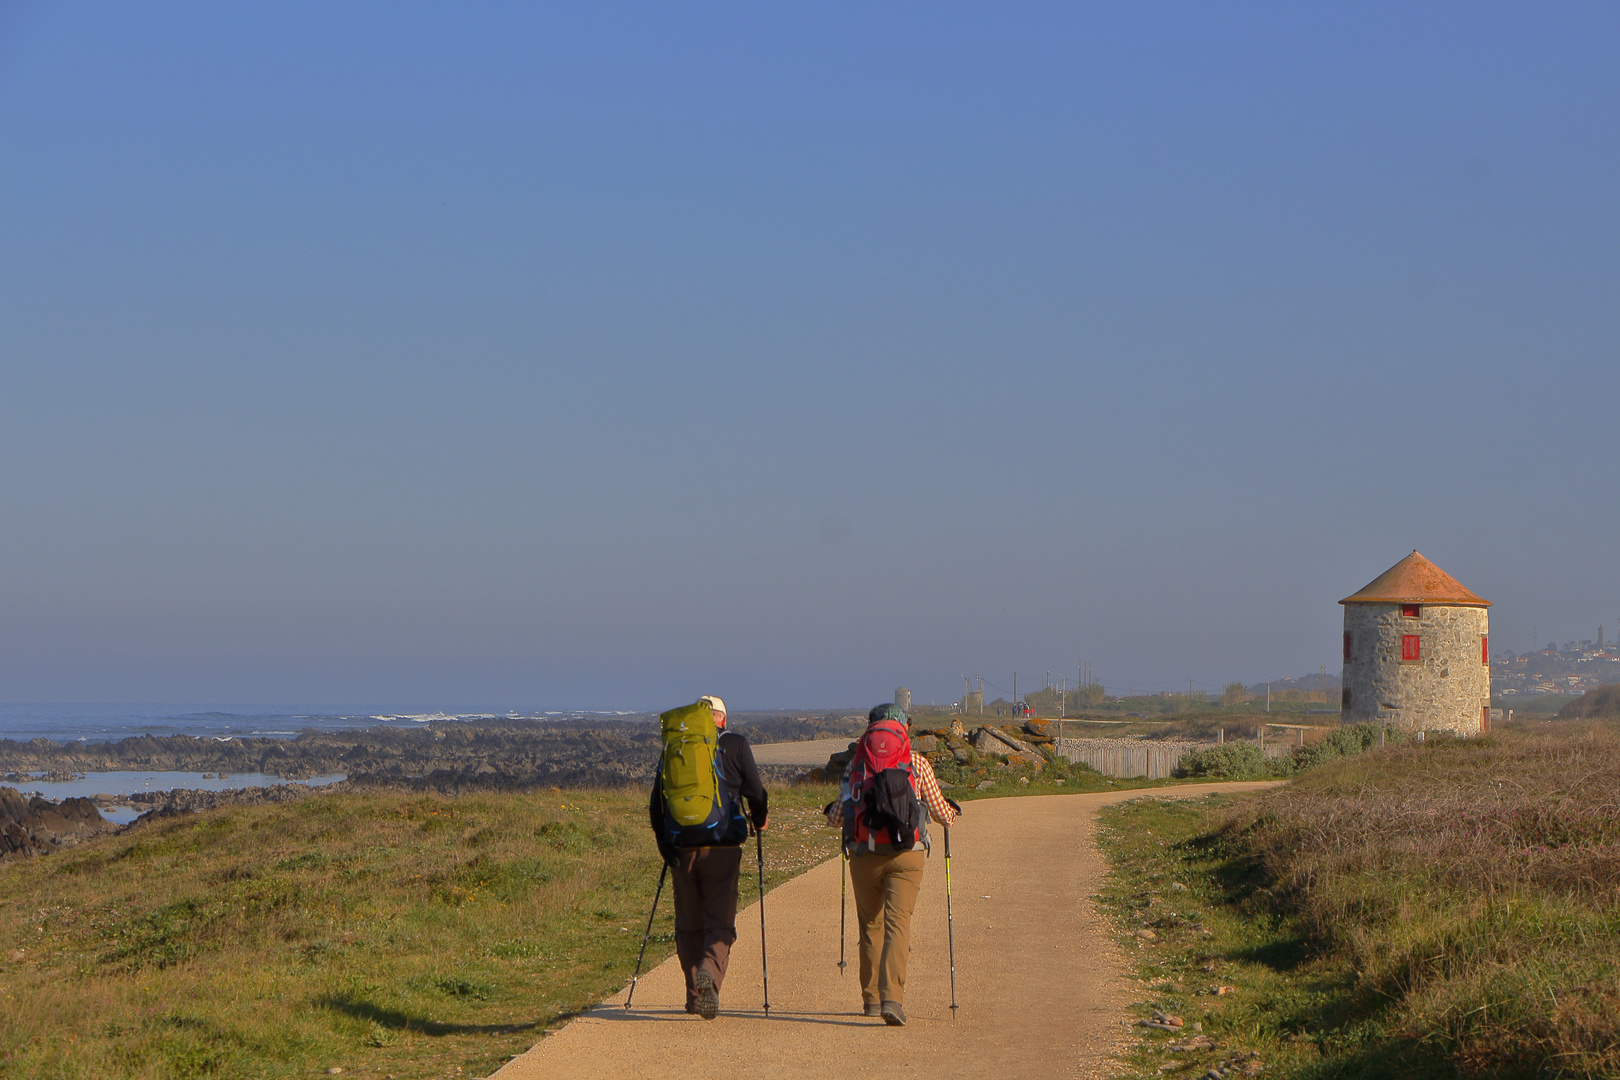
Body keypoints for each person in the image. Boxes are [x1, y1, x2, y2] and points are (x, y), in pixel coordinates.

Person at [828, 703, 959, 1027]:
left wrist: (831, 812)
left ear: (870, 728)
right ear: (905, 729)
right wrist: (952, 815)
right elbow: (942, 814)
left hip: (864, 854)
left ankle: (871, 1000)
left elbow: (837, 818)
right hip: (908, 854)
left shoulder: (856, 765)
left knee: (869, 925)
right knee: (897, 925)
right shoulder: (916, 763)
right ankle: (892, 999)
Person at [648, 695, 768, 1019]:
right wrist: (760, 820)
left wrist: (664, 843)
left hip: (681, 846)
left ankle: (692, 996)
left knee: (688, 925)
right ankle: (710, 974)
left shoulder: (675, 747)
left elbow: (657, 803)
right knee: (720, 923)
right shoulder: (736, 745)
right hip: (723, 847)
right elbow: (756, 791)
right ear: (722, 719)